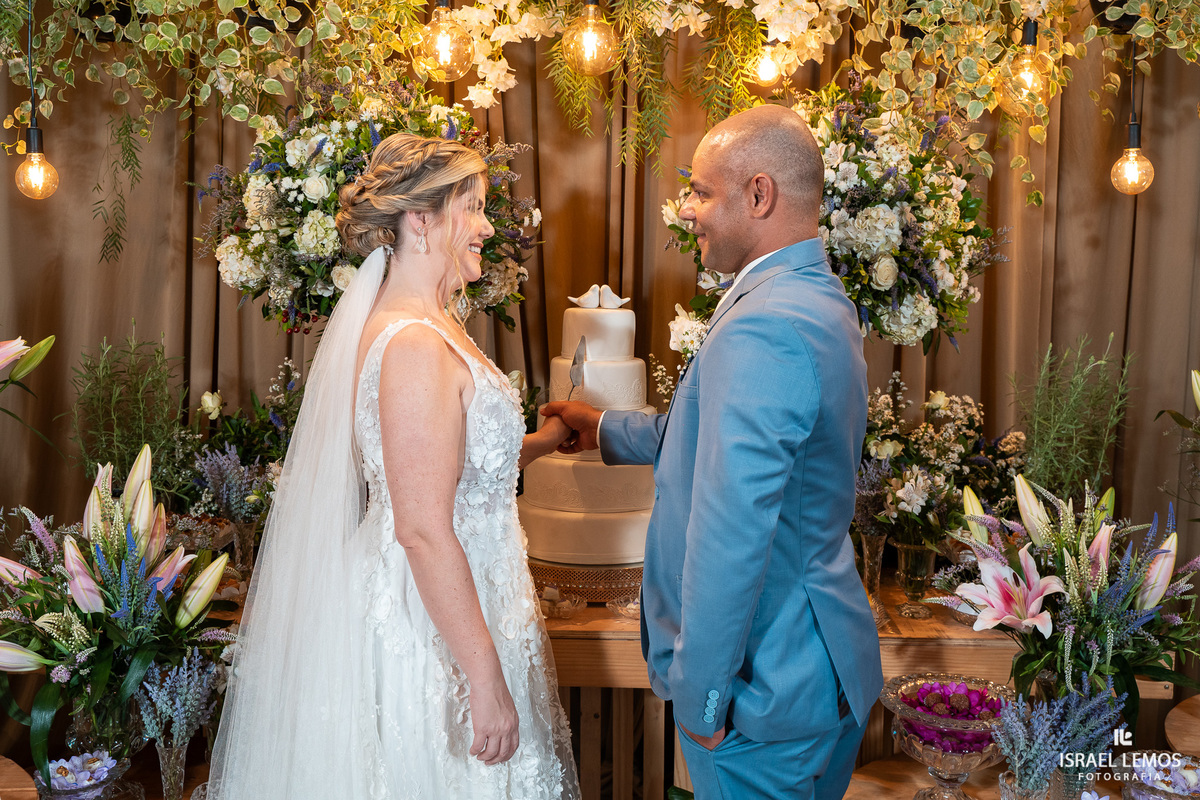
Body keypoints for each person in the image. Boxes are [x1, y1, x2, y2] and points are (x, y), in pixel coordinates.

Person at [207, 133, 581, 800]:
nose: (488, 227)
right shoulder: (413, 343)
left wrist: (546, 440)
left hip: (466, 597)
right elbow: (421, 526)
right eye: (473, 207)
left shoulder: (426, 323)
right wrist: (481, 676)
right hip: (428, 623)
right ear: (420, 220)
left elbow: (449, 464)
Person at [543, 105, 882, 799]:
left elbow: (731, 533)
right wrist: (606, 428)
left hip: (765, 697)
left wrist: (700, 704)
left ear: (759, 195)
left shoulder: (767, 326)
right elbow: (719, 441)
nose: (687, 210)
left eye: (701, 191)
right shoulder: (815, 298)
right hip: (820, 670)